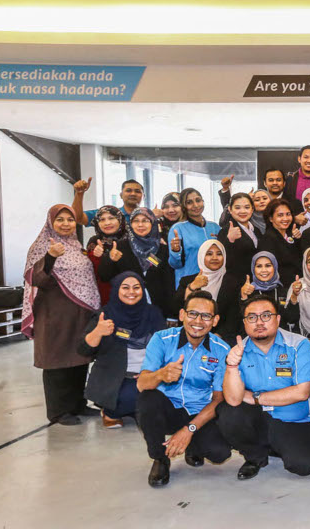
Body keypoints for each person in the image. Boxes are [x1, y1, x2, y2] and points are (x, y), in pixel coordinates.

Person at [218, 295, 310, 479]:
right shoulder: (237, 351)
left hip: (293, 420)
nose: (259, 322)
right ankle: (255, 456)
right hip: (258, 418)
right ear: (244, 322)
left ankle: (277, 446)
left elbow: (302, 392)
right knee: (228, 413)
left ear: (278, 319)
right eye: (252, 317)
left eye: (266, 316)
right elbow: (234, 399)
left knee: (304, 465)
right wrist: (232, 366)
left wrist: (255, 397)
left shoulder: (299, 345)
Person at [135, 291, 232, 487]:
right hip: (167, 409)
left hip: (199, 413)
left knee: (220, 453)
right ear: (182, 315)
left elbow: (218, 399)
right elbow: (141, 384)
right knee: (147, 400)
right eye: (193, 313)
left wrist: (190, 429)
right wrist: (160, 374)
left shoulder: (222, 350)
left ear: (215, 321)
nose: (198, 321)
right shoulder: (161, 339)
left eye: (206, 316)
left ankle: (193, 444)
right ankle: (160, 458)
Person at [23, 204, 101, 425]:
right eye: (60, 220)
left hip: (80, 312)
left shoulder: (76, 246)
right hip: (54, 312)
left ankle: (78, 404)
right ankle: (58, 412)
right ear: (51, 222)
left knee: (79, 357)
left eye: (69, 219)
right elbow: (36, 279)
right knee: (57, 360)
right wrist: (50, 256)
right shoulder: (41, 246)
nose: (66, 224)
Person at [80, 272, 166, 428]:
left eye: (136, 287)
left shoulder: (153, 313)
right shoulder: (105, 315)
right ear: (116, 290)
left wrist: (153, 370)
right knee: (131, 397)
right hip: (118, 377)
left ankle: (139, 410)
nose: (131, 292)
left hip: (148, 373)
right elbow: (83, 350)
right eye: (125, 288)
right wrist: (98, 332)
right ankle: (111, 413)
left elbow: (166, 347)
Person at [97, 207, 176, 319]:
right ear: (130, 224)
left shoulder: (162, 249)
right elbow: (104, 276)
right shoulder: (120, 247)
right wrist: (110, 259)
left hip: (158, 309)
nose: (140, 225)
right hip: (126, 308)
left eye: (145, 221)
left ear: (153, 223)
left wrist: (172, 315)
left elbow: (169, 283)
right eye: (136, 221)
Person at [176, 240, 242, 341]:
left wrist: (216, 337)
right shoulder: (187, 281)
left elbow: (235, 316)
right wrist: (192, 287)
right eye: (209, 254)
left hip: (222, 338)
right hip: (190, 335)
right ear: (201, 256)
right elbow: (176, 309)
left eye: (219, 254)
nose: (214, 258)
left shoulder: (233, 282)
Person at [168, 187, 220, 288]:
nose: (195, 205)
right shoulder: (178, 228)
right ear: (184, 206)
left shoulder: (214, 227)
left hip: (214, 282)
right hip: (190, 283)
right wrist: (176, 251)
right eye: (189, 202)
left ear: (203, 202)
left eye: (198, 200)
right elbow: (175, 265)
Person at [239, 252, 300, 332]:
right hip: (257, 338)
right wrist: (244, 296)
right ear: (253, 269)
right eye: (259, 266)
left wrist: (294, 296)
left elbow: (292, 319)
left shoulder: (282, 291)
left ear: (275, 267)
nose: (264, 270)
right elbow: (243, 322)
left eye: (268, 266)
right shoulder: (248, 291)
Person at [86, 205, 129, 304]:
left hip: (129, 296)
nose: (107, 223)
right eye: (102, 219)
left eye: (111, 218)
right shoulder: (94, 242)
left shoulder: (131, 240)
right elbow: (91, 274)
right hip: (103, 299)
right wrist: (97, 257)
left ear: (120, 220)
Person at [256, 197, 305, 281]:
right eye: (280, 215)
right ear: (271, 218)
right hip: (282, 286)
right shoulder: (267, 239)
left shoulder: (290, 234)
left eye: (288, 214)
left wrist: (298, 239)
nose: (285, 218)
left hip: (298, 282)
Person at [217, 192, 260, 277]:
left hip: (256, 281)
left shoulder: (256, 230)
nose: (243, 211)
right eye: (237, 208)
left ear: (252, 209)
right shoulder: (225, 231)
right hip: (236, 283)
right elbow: (222, 260)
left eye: (247, 207)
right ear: (230, 209)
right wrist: (230, 240)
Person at [72, 177, 143, 225]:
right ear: (121, 195)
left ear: (143, 196)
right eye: (128, 190)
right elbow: (78, 218)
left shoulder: (149, 217)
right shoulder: (107, 213)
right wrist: (79, 194)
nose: (133, 194)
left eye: (137, 191)